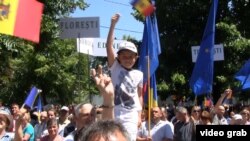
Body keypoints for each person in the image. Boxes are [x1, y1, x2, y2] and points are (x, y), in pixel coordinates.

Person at [106, 13, 143, 141]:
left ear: (136, 58)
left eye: (131, 56)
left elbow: (139, 96)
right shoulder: (115, 67)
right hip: (114, 112)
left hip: (131, 115)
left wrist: (139, 115)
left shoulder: (139, 74)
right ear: (118, 58)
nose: (127, 59)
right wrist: (112, 25)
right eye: (124, 56)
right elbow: (108, 47)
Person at [64, 65, 115, 141]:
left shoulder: (100, 137)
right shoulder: (69, 139)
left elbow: (109, 129)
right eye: (86, 115)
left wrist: (108, 97)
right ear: (76, 117)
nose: (91, 118)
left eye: (93, 115)